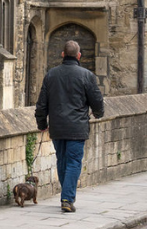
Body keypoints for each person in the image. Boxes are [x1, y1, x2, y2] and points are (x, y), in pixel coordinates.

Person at [34, 40, 104, 213]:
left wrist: (42, 123)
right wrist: (98, 113)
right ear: (79, 56)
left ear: (63, 55)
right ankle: (67, 198)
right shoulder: (87, 75)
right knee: (73, 162)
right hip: (77, 127)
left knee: (62, 160)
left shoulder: (51, 74)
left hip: (57, 127)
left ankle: (66, 195)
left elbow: (42, 104)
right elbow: (97, 100)